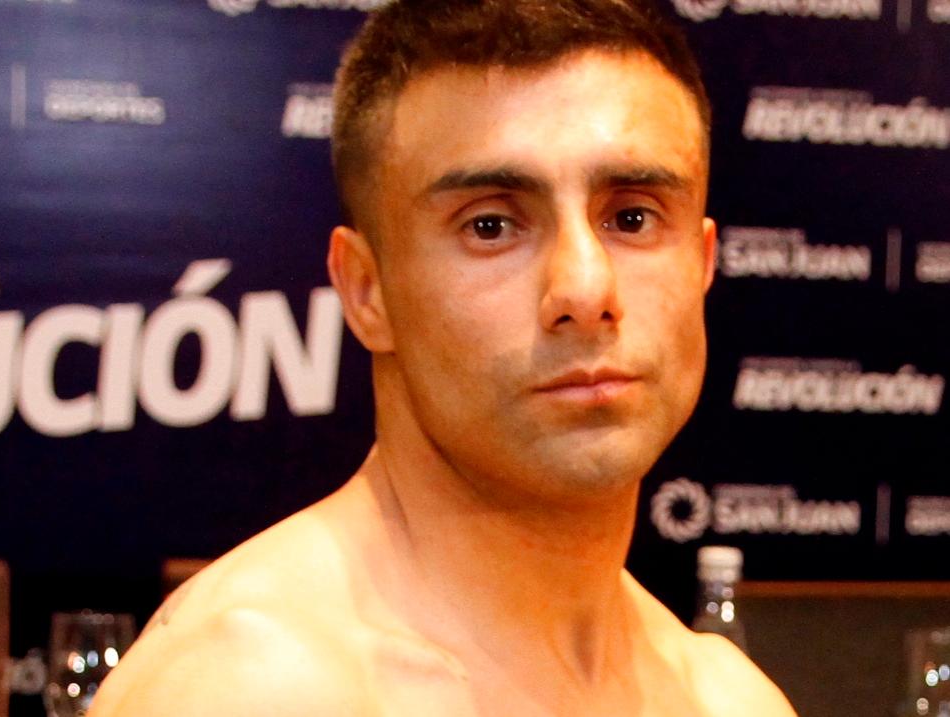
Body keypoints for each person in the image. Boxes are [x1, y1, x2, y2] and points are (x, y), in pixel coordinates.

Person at [91, 1, 798, 714]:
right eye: (490, 225)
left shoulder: (730, 699)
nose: (585, 289)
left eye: (632, 218)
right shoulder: (256, 685)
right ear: (366, 290)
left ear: (703, 262)